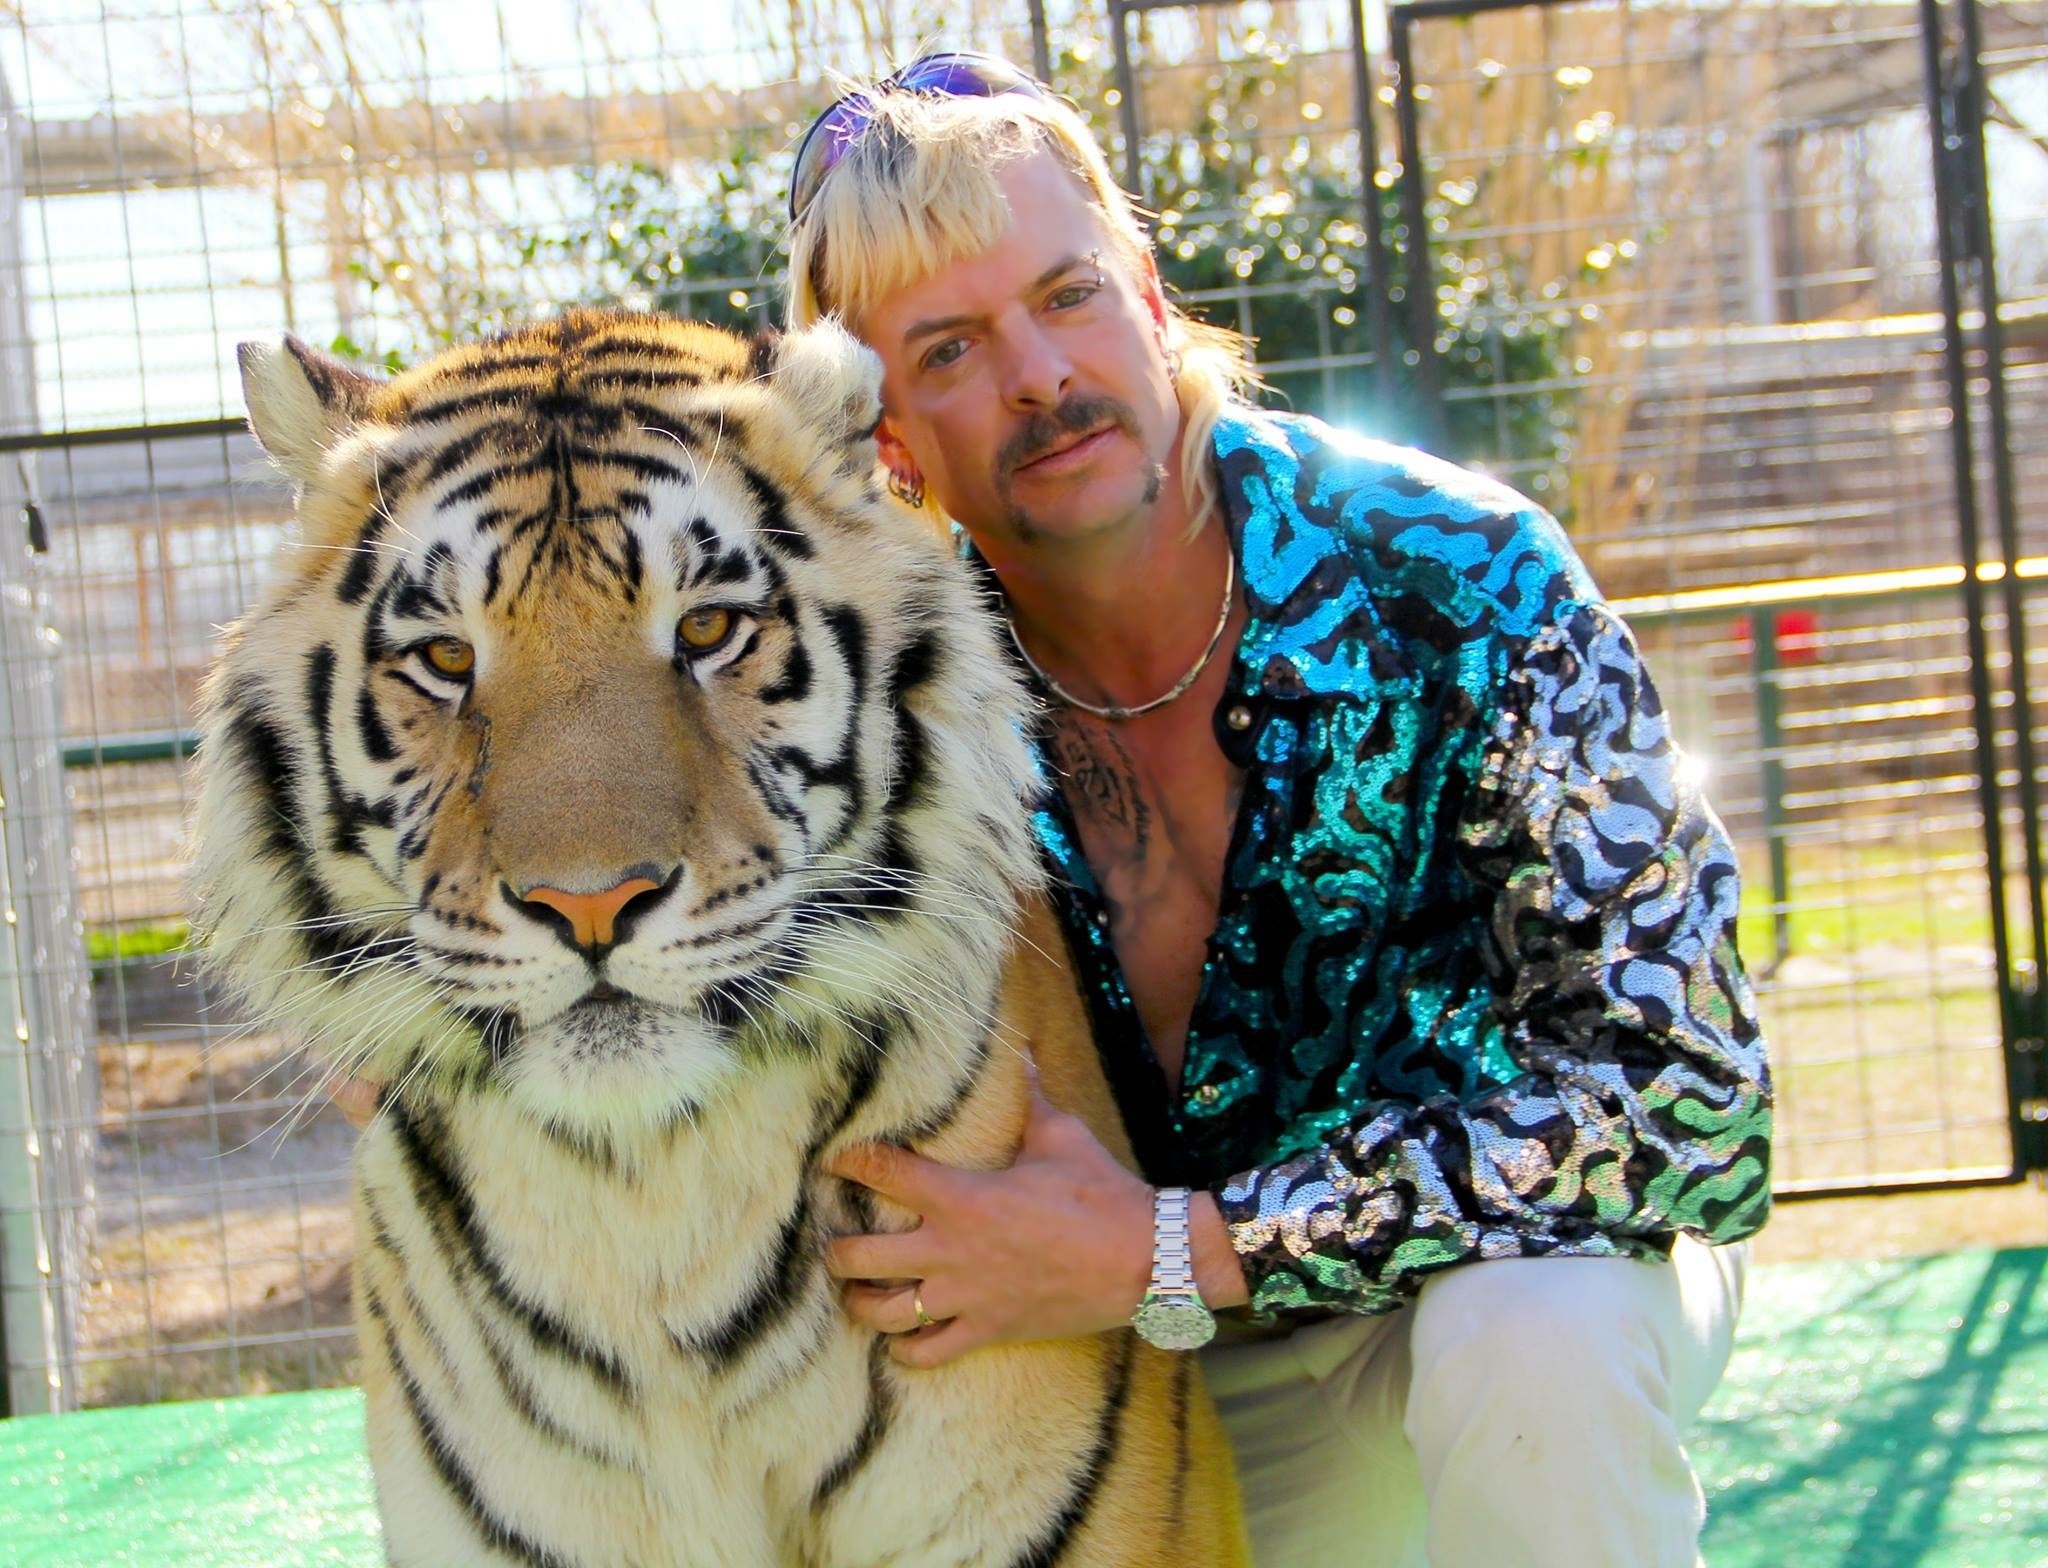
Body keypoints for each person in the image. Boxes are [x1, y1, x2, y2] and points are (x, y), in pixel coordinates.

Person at [781, 51, 1773, 1568]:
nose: (1040, 376)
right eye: (952, 348)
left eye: (1067, 295)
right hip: (1136, 1366)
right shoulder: (878, 709)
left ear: (1151, 293)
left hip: (1486, 1292)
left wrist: (1184, 1247)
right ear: (888, 439)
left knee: (1536, 1341)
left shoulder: (1463, 576)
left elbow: (1694, 1099)